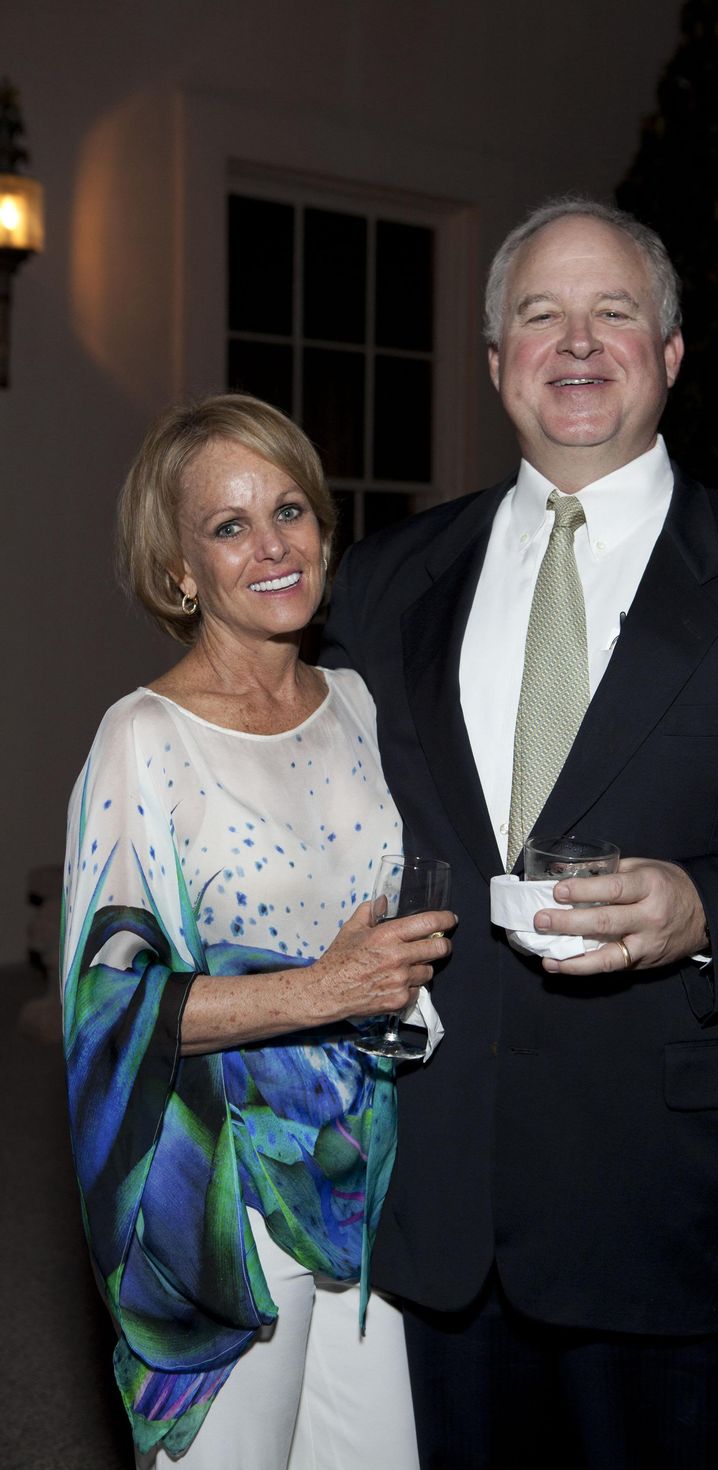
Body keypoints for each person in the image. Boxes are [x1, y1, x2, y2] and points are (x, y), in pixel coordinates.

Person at [321, 197, 718, 1468]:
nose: (576, 340)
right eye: (538, 313)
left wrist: (709, 908)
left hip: (674, 1197)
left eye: (614, 311)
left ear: (668, 355)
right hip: (445, 1196)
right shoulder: (385, 583)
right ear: (494, 364)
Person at [60, 394, 454, 1469]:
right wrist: (322, 991)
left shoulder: (363, 703)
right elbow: (105, 1011)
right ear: (181, 569)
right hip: (226, 1189)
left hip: (377, 1165)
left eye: (289, 510)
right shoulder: (144, 737)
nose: (272, 546)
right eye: (229, 527)